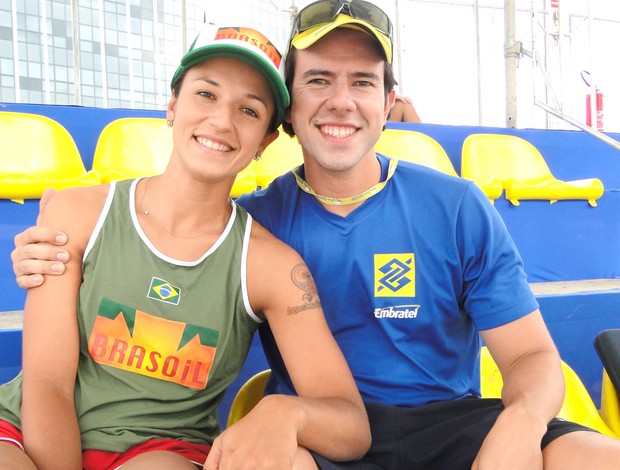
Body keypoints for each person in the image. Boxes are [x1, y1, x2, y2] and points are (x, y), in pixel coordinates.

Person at [11, 1, 620, 468]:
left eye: (362, 82)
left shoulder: (457, 206)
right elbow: (163, 253)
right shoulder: (254, 225)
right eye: (319, 79)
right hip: (317, 437)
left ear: (388, 102)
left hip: (453, 422)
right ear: (291, 108)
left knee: (596, 457)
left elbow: (535, 357)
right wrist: (49, 253)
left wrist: (519, 426)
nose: (341, 101)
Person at [0, 23, 371, 470]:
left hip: (162, 451)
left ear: (266, 141)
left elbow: (352, 427)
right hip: (25, 431)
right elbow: (47, 387)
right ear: (173, 104)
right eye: (206, 94)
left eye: (249, 111)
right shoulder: (78, 213)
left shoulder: (270, 265)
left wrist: (286, 411)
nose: (221, 121)